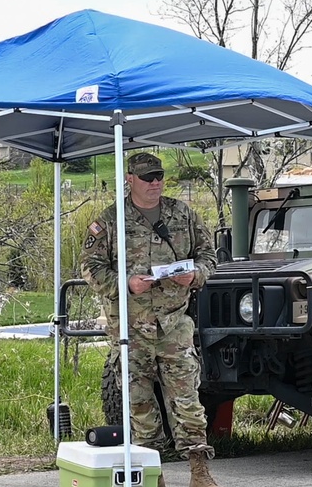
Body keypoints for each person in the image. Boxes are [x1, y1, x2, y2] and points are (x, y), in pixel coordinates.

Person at [80, 152, 218, 487]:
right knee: (139, 403)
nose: (155, 183)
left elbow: (208, 254)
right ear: (130, 180)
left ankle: (199, 470)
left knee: (187, 397)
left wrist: (196, 274)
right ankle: (153, 474)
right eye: (147, 178)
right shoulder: (111, 220)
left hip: (173, 323)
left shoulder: (181, 213)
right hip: (130, 326)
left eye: (159, 176)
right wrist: (124, 283)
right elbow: (89, 266)